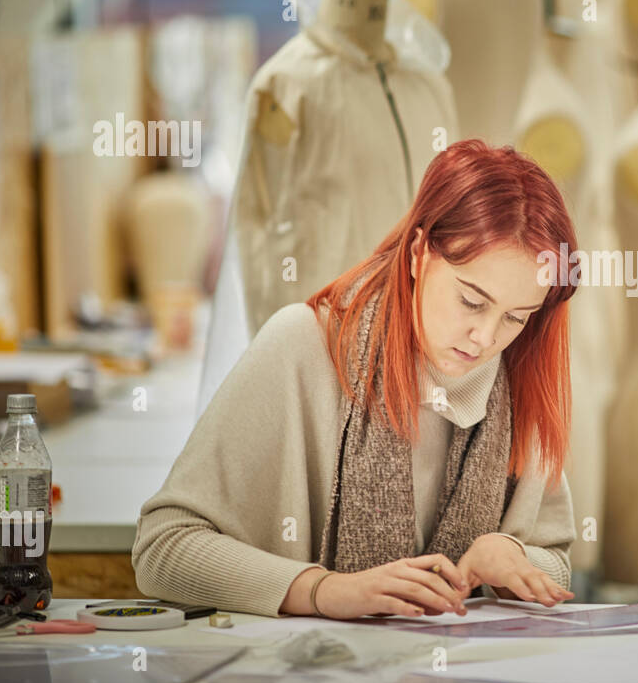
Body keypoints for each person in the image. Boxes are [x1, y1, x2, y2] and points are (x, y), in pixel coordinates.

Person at [133, 140, 579, 619]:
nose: (486, 338)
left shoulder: (517, 379)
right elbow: (162, 550)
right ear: (417, 254)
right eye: (472, 301)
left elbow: (555, 564)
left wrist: (511, 559)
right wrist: (320, 591)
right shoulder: (303, 345)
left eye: (516, 317)